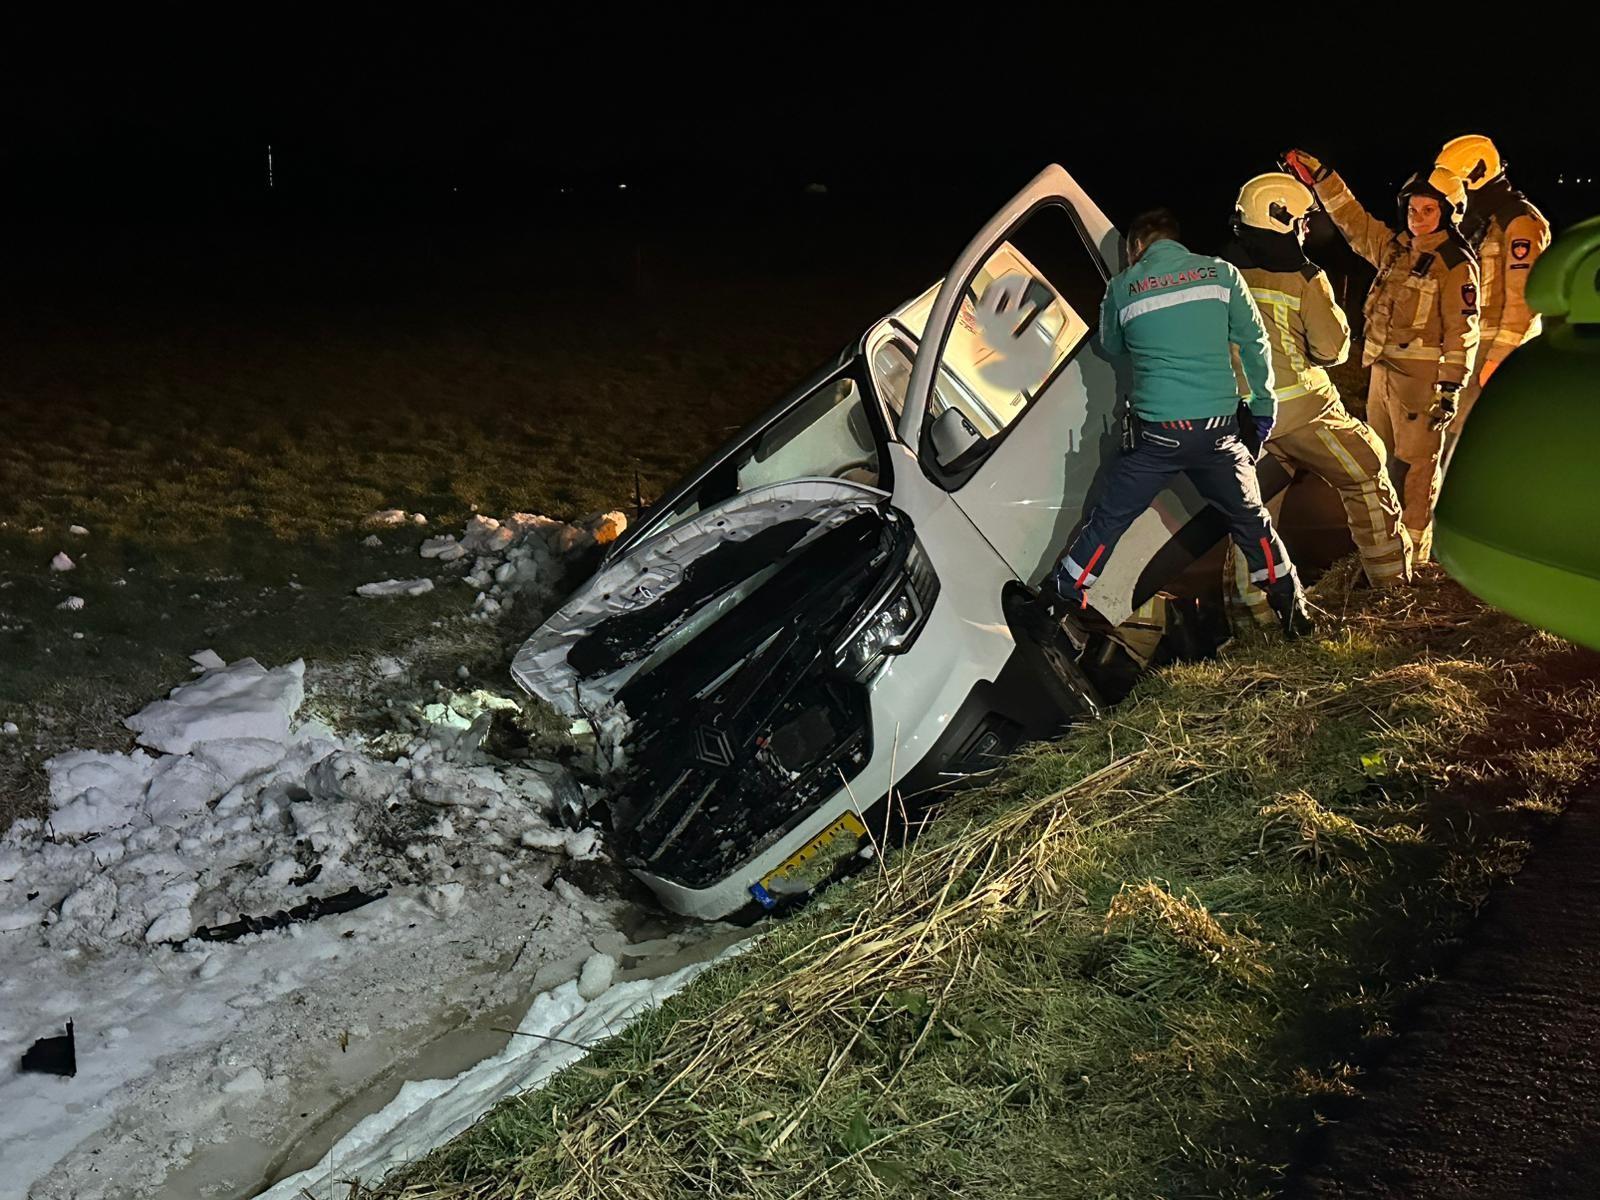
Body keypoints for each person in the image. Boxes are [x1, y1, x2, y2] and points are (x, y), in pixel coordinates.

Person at [1047, 208, 1313, 639]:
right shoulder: (1221, 275)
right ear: (1177, 241)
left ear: (1136, 248)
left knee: (1109, 519)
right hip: (1218, 434)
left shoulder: (1123, 287)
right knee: (1251, 522)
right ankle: (1293, 610)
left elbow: (1113, 346)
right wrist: (1262, 411)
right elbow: (1254, 342)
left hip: (1158, 439)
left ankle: (1059, 599)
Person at [1218, 172, 1412, 627]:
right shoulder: (1305, 278)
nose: (1306, 228)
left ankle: (1256, 621)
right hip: (1303, 410)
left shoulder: (1218, 270)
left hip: (1241, 420)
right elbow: (1332, 350)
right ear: (1284, 220)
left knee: (1254, 516)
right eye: (1302, 220)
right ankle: (1392, 591)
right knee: (1365, 470)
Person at [1285, 150, 1479, 561]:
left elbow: (1463, 331)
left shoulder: (1454, 264)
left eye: (1429, 210)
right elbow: (1352, 220)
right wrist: (1323, 177)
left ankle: (1418, 558)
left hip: (1422, 385)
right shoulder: (1395, 250)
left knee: (1416, 471)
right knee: (1381, 462)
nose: (1418, 217)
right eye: (1413, 208)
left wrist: (1449, 388)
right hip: (1383, 375)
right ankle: (1389, 549)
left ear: (1448, 213)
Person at [1434, 134, 1552, 465]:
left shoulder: (1519, 223)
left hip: (1494, 352)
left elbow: (1524, 302)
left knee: (1479, 446)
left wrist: (1500, 360)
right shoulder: (1481, 222)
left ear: (1475, 174)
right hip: (1473, 349)